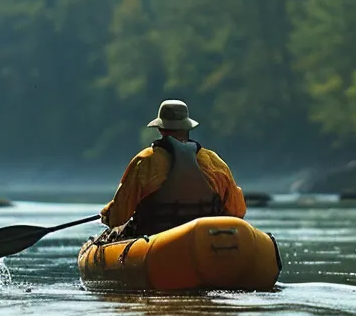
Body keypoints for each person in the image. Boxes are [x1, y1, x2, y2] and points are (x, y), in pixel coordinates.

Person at [95, 99, 246, 243]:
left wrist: (107, 215)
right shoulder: (214, 162)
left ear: (160, 128)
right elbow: (237, 211)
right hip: (205, 241)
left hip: (157, 243)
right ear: (187, 128)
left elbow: (119, 217)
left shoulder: (145, 161)